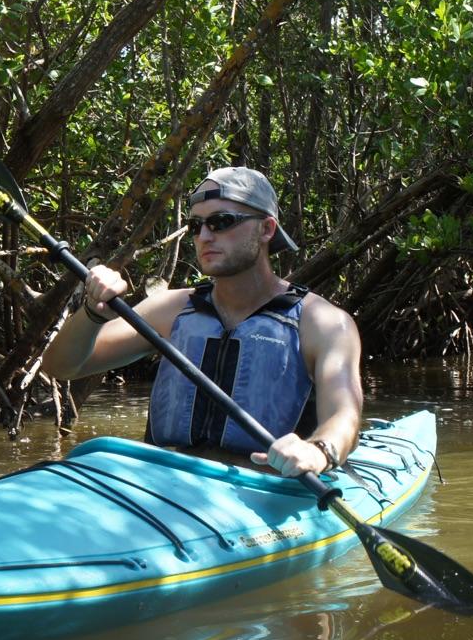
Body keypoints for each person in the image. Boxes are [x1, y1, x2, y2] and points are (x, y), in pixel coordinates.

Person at [41, 165, 362, 477]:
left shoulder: (324, 324)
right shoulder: (171, 309)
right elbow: (61, 367)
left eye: (222, 222)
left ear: (267, 229)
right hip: (167, 484)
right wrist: (93, 314)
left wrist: (319, 450)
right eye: (196, 226)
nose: (205, 236)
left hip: (265, 491)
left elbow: (344, 415)